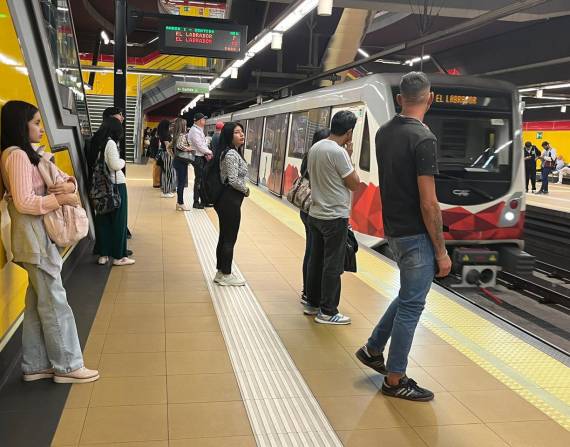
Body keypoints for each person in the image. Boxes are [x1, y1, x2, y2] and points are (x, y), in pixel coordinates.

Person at [355, 72, 451, 402]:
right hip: (415, 234)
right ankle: (395, 380)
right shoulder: (423, 139)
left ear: (399, 99)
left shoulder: (384, 133)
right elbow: (429, 202)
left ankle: (372, 349)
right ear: (431, 98)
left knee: (407, 295)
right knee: (413, 306)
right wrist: (441, 251)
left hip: (393, 230)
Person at [0, 100, 99, 383]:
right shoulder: (17, 155)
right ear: (21, 126)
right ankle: (68, 366)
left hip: (32, 236)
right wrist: (62, 198)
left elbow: (50, 180)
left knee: (35, 303)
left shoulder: (21, 154)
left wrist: (67, 186)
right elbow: (24, 201)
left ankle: (35, 364)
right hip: (34, 238)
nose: (40, 129)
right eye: (35, 123)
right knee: (55, 302)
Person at [304, 111, 360, 325]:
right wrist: (350, 155)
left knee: (315, 261)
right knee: (332, 266)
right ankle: (328, 311)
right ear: (349, 132)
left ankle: (312, 303)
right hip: (334, 217)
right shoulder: (339, 152)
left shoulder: (316, 148)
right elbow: (354, 183)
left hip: (316, 213)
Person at [92, 118, 135, 266]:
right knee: (119, 222)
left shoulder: (97, 142)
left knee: (103, 221)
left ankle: (103, 255)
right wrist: (123, 161)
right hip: (116, 186)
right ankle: (119, 256)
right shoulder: (110, 143)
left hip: (101, 187)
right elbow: (115, 165)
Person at [213, 122, 249, 287]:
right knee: (229, 238)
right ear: (229, 135)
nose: (241, 135)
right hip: (230, 199)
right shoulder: (231, 155)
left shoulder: (230, 152)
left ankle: (221, 271)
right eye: (237, 132)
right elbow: (233, 180)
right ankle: (225, 274)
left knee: (224, 236)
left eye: (241, 132)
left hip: (227, 200)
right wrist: (246, 190)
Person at [299, 128, 331, 305]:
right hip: (315, 209)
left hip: (307, 209)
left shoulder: (309, 156)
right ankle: (310, 294)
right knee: (314, 252)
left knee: (311, 250)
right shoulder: (320, 157)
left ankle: (308, 291)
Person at [187, 112, 213, 208]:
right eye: (203, 119)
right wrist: (210, 152)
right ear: (198, 121)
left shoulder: (199, 130)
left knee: (202, 180)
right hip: (198, 158)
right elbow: (199, 146)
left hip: (201, 157)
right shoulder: (194, 131)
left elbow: (203, 144)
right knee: (199, 180)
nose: (204, 120)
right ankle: (196, 202)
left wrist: (207, 151)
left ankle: (204, 200)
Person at [171, 117, 193, 211]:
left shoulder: (176, 135)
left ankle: (179, 203)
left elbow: (170, 147)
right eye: (185, 124)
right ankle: (180, 203)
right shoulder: (182, 135)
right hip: (181, 161)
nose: (186, 126)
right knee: (181, 183)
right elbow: (179, 145)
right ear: (182, 126)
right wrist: (189, 149)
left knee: (180, 182)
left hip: (177, 160)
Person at [157, 119, 176, 198]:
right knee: (168, 173)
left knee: (165, 173)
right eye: (169, 125)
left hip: (165, 155)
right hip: (167, 155)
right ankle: (166, 191)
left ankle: (166, 190)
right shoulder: (166, 134)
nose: (170, 126)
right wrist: (173, 156)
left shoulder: (162, 133)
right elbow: (168, 147)